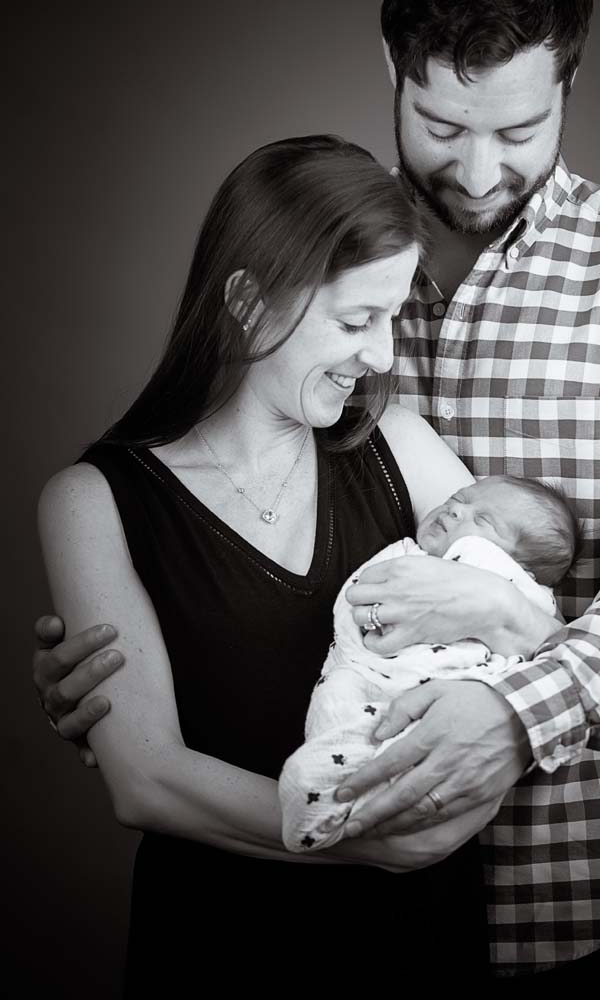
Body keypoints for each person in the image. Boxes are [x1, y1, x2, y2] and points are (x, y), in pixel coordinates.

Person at [34, 0, 600, 990]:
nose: (478, 171)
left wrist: (515, 715)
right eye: (443, 127)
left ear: (568, 82)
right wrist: (131, 663)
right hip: (339, 918)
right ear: (393, 67)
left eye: (519, 132)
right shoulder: (325, 254)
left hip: (581, 887)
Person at [36, 134, 565, 993]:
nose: (383, 356)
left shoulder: (400, 446)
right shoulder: (91, 502)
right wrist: (370, 839)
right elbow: (147, 780)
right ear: (247, 301)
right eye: (355, 322)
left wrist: (507, 616)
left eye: (391, 318)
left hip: (418, 949)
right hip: (220, 949)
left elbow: (548, 638)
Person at [279, 474, 578, 852]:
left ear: (521, 568)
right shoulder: (407, 554)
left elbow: (550, 642)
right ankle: (339, 798)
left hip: (443, 693)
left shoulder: (506, 578)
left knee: (403, 749)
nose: (455, 510)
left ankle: (346, 802)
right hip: (371, 679)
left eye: (483, 520)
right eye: (457, 499)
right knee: (335, 709)